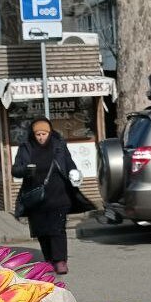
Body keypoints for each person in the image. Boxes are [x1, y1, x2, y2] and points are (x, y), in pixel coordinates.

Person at [11, 117, 91, 275]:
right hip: (36, 197)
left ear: (49, 132)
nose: (41, 137)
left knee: (57, 229)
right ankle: (48, 260)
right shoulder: (25, 147)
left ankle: (60, 260)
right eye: (38, 134)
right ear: (33, 134)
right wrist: (25, 170)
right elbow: (15, 170)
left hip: (58, 194)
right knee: (42, 231)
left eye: (44, 133)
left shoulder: (59, 145)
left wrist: (73, 172)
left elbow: (68, 162)